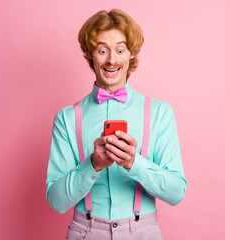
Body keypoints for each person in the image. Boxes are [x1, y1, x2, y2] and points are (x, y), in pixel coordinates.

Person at [46, 9, 187, 240]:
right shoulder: (67, 118)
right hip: (86, 232)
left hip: (142, 231)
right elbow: (57, 201)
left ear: (130, 54)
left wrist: (135, 163)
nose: (112, 59)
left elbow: (176, 193)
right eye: (102, 50)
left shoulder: (159, 113)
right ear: (90, 55)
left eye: (120, 50)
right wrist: (92, 165)